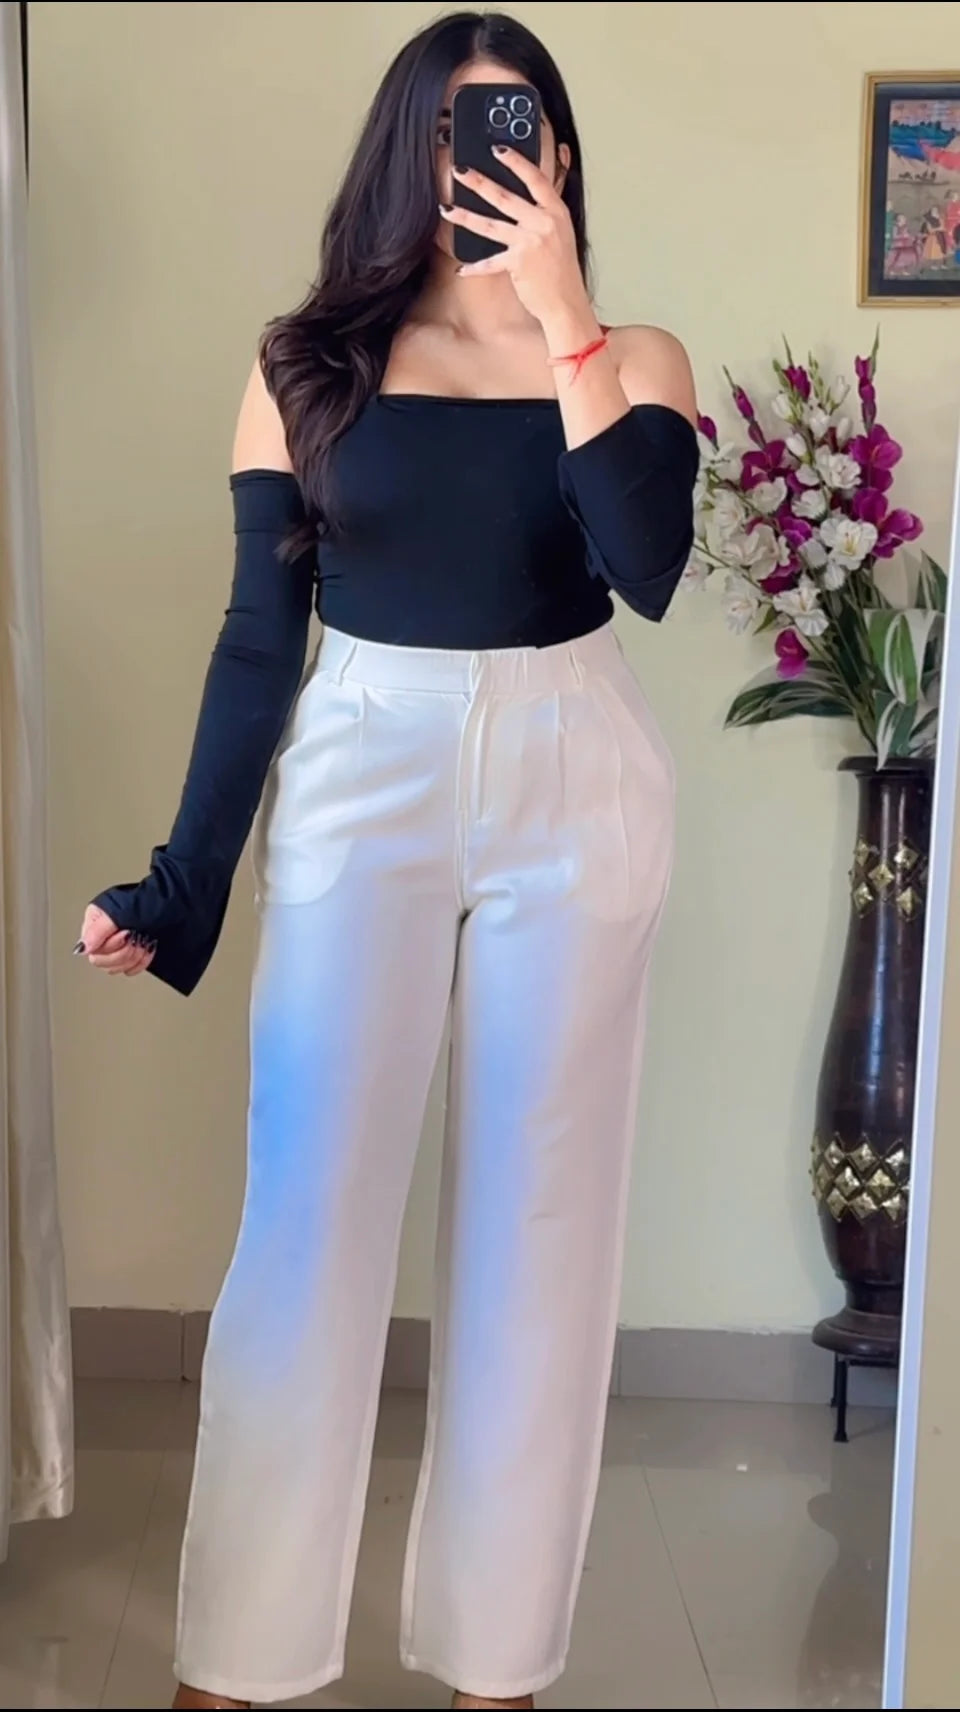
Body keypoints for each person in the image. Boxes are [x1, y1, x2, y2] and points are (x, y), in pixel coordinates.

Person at [76, 11, 697, 1710]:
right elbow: (255, 641)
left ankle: (501, 1667)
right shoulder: (307, 364)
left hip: (578, 771)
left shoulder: (635, 354)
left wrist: (564, 318)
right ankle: (236, 1662)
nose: (480, 157)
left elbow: (646, 566)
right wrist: (183, 880)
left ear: (557, 152)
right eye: (449, 129)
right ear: (400, 150)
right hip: (369, 759)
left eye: (515, 124)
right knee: (307, 1219)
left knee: (543, 1229)